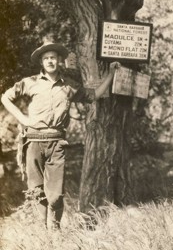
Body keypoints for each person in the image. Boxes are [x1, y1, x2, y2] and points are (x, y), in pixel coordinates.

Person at [1, 42, 120, 230]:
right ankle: (42, 231)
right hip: (33, 142)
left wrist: (111, 74)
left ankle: (55, 228)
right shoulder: (30, 82)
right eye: (46, 58)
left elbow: (94, 95)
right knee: (36, 190)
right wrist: (23, 119)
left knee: (55, 194)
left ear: (59, 61)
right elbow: (5, 97)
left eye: (53, 58)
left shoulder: (69, 87)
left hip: (57, 144)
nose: (50, 61)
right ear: (41, 61)